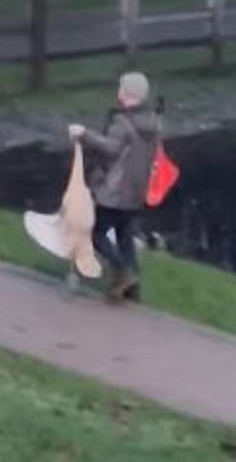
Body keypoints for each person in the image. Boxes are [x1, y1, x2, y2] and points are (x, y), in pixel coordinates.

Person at [68, 72, 159, 301]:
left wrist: (84, 135)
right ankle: (132, 290)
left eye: (121, 88)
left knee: (95, 232)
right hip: (137, 192)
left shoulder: (122, 122)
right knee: (125, 237)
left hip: (114, 192)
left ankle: (121, 271)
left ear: (129, 93)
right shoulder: (153, 123)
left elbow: (111, 148)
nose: (118, 92)